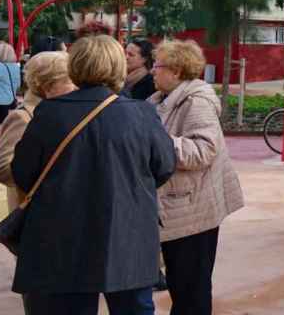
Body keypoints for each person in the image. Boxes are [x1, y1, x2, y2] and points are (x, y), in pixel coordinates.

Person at [11, 35, 176, 314]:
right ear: (118, 67)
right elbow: (163, 167)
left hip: (61, 235)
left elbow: (23, 173)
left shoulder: (49, 112)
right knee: (133, 308)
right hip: (128, 230)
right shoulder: (142, 113)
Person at [149, 39, 244, 315]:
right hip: (178, 207)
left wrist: (157, 142)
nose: (153, 71)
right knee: (182, 286)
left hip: (194, 210)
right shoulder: (160, 100)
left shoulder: (197, 102)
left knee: (191, 291)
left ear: (176, 71)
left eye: (158, 66)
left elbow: (203, 151)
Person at [0, 51, 75, 212]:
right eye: (69, 81)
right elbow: (3, 170)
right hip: (34, 210)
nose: (75, 87)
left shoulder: (61, 110)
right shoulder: (23, 117)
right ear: (47, 84)